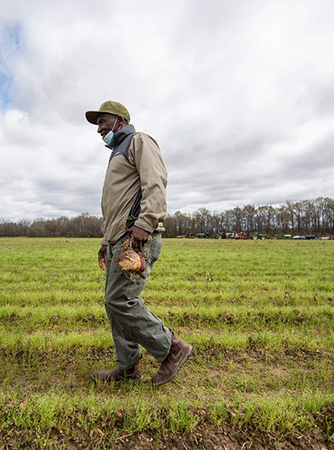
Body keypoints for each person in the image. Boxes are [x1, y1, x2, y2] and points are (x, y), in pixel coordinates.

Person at [85, 100, 192, 387]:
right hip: (117, 239)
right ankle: (128, 367)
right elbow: (116, 203)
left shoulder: (138, 141)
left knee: (121, 299)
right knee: (113, 304)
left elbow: (155, 182)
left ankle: (171, 348)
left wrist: (146, 222)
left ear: (119, 120)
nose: (99, 129)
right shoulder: (116, 153)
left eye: (102, 121)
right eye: (97, 124)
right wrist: (106, 241)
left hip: (136, 238)